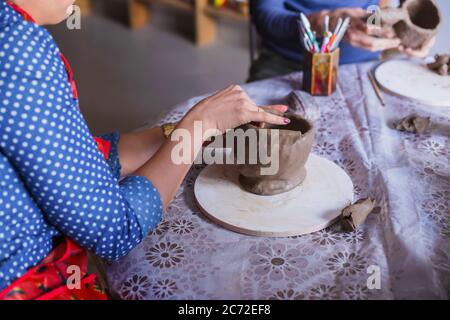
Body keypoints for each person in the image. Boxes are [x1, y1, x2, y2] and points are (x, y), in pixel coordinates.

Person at [0, 0, 290, 300]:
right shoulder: (17, 48)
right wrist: (198, 127)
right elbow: (115, 230)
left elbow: (81, 162)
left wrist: (199, 131)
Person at [248, 0, 436, 82]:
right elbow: (265, 19)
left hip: (362, 60)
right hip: (287, 60)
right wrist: (322, 21)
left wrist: (420, 31)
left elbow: (416, 5)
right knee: (254, 134)